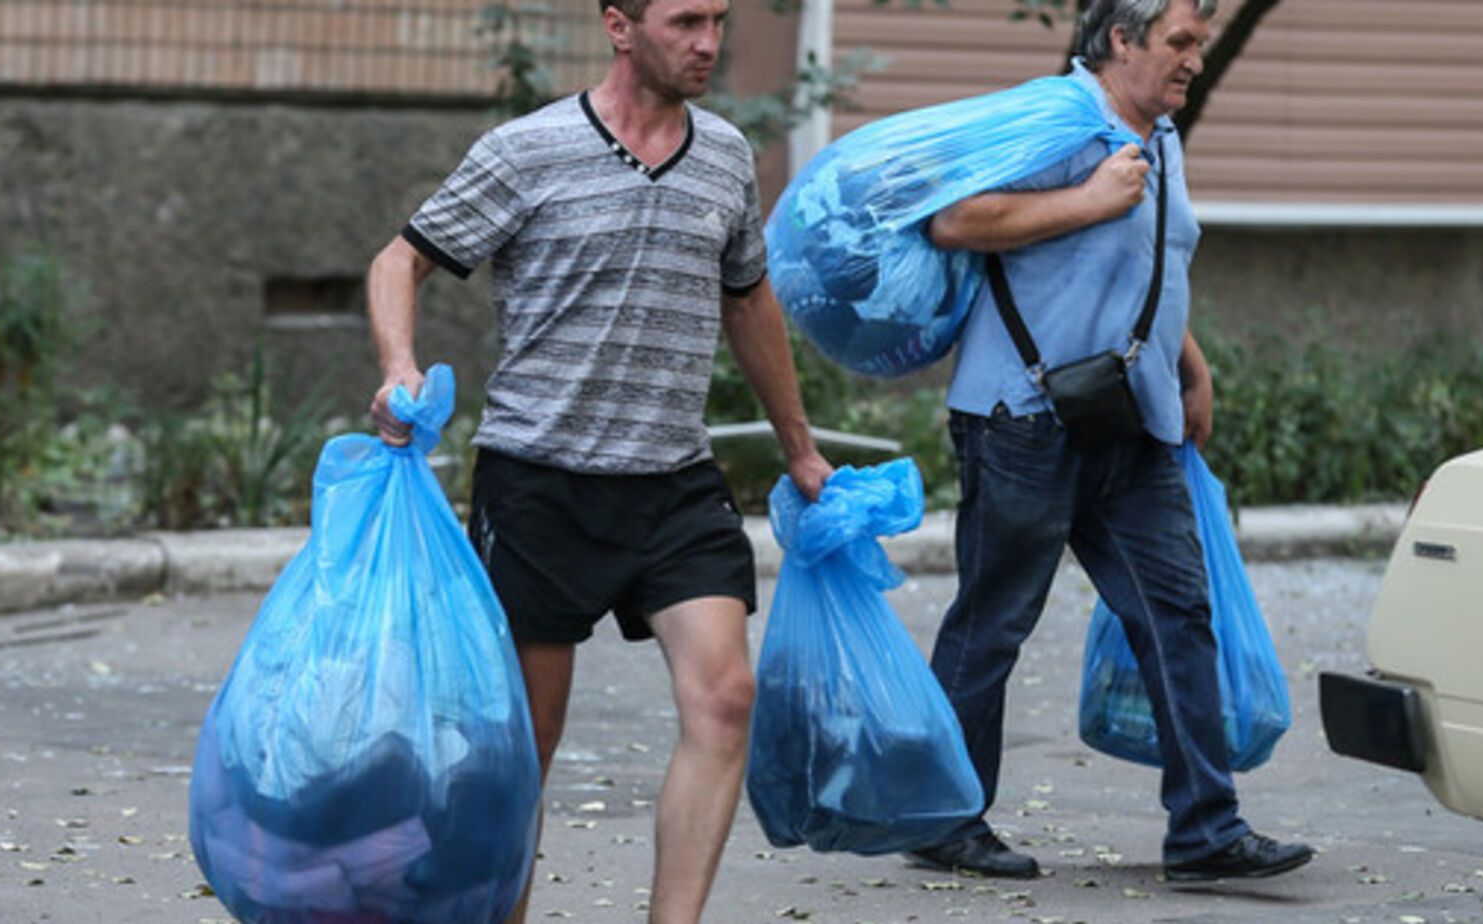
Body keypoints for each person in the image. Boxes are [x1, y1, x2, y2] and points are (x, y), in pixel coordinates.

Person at [363, 0, 832, 920]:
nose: (708, 44)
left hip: (674, 480)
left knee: (727, 698)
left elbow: (748, 301)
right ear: (620, 26)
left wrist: (800, 447)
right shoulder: (525, 151)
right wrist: (398, 367)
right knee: (522, 750)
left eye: (719, 22)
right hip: (541, 482)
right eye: (685, 22)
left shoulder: (728, 156)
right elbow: (399, 260)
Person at [904, 0, 1314, 884]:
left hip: (1132, 419)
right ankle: (945, 818)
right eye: (1179, 43)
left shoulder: (1160, 134)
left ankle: (1206, 832)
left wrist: (1189, 363)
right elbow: (954, 221)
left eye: (1199, 44)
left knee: (1178, 612)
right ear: (1120, 40)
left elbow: (1149, 259)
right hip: (1023, 416)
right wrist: (1088, 199)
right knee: (996, 620)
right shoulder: (1057, 121)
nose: (1194, 61)